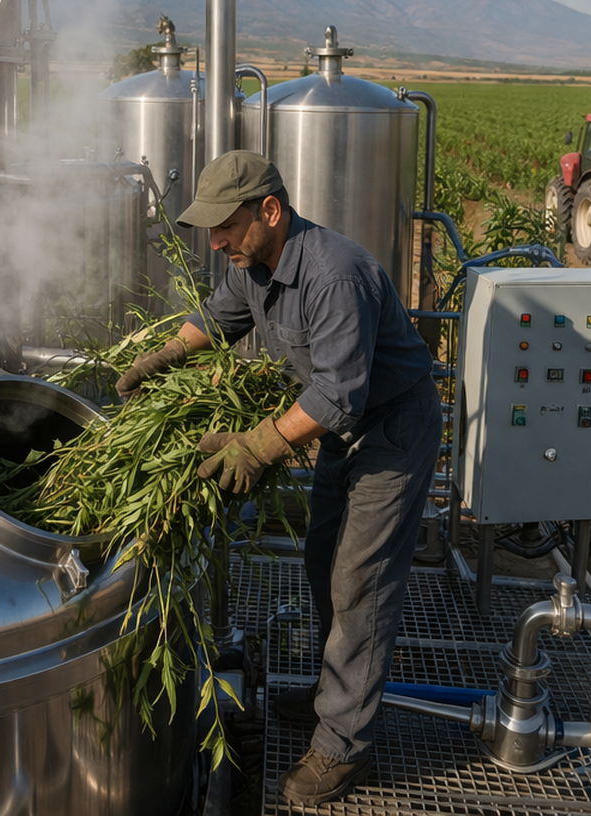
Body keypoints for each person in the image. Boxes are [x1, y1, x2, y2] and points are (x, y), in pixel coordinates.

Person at [115, 150, 440, 806]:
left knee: (361, 582)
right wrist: (164, 356)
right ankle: (335, 698)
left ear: (270, 210)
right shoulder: (253, 263)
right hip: (345, 434)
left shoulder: (333, 274)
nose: (216, 242)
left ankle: (344, 748)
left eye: (225, 225)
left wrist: (258, 445)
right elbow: (218, 319)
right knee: (324, 560)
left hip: (390, 433)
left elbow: (337, 396)